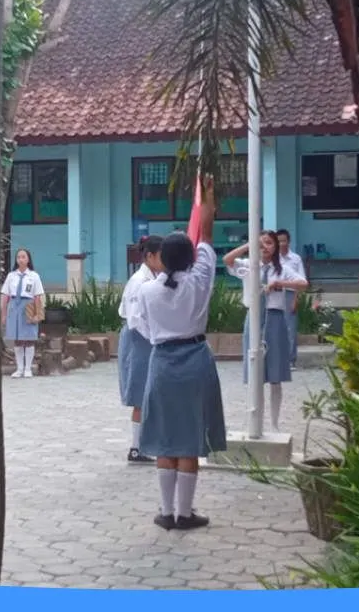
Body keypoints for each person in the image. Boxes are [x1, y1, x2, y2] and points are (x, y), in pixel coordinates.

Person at [136, 177, 226, 531]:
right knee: (188, 439)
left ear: (161, 259)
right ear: (189, 257)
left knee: (163, 437)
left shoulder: (146, 291)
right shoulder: (200, 278)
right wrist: (207, 187)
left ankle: (165, 512)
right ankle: (185, 513)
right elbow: (206, 231)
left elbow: (142, 327)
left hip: (161, 362)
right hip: (195, 360)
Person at [224, 230, 308, 434]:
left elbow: (303, 284)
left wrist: (280, 284)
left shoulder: (282, 269)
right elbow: (227, 259)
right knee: (255, 374)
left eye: (269, 243)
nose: (265, 247)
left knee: (276, 375)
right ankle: (256, 419)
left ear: (276, 246)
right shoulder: (248, 266)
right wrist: (249, 245)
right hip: (253, 319)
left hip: (274, 319)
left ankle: (275, 423)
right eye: (261, 244)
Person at [117, 235, 164, 464]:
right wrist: (156, 338)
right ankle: (136, 448)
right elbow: (136, 320)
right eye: (161, 255)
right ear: (150, 256)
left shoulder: (154, 276)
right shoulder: (139, 281)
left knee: (149, 393)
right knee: (139, 395)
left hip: (147, 339)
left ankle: (144, 444)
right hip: (139, 339)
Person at [0, 248, 45, 379]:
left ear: (28, 259)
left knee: (29, 338)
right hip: (14, 306)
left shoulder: (34, 276)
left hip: (28, 305)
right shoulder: (11, 276)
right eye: (18, 257)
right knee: (17, 338)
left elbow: (37, 296)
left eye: (23, 257)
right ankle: (19, 368)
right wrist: (3, 314)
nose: (21, 259)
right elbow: (5, 296)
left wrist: (37, 313)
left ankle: (28, 368)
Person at [275, 229, 306, 371]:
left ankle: (290, 360)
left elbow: (301, 281)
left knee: (290, 329)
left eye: (284, 240)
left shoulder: (295, 259)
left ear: (289, 241)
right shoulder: (273, 258)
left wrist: (295, 300)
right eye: (279, 241)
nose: (281, 244)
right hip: (274, 295)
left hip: (289, 295)